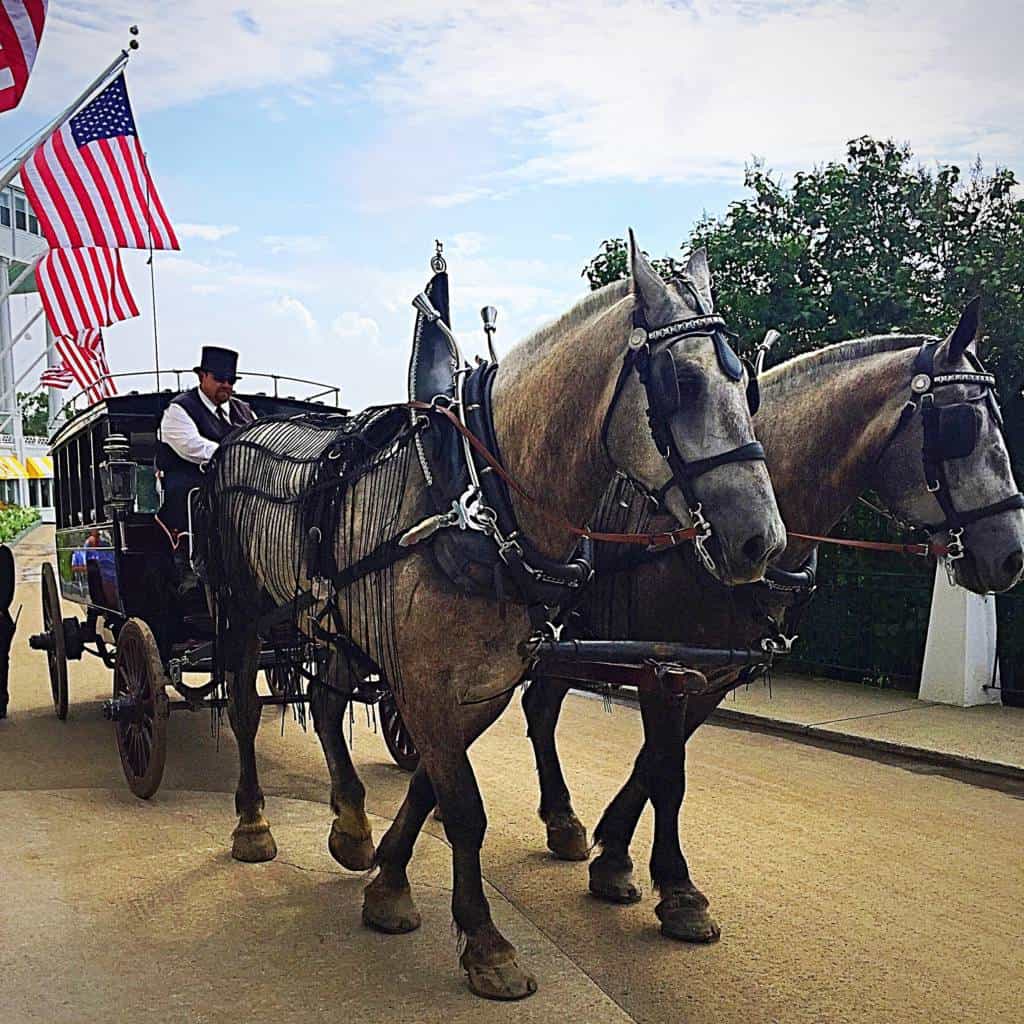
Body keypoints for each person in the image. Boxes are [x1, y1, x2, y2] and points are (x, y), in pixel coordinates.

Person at [155, 346, 255, 581]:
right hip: (193, 482)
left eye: (231, 380)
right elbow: (193, 447)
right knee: (192, 492)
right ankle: (192, 560)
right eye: (220, 379)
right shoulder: (179, 409)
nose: (227, 385)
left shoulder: (246, 411)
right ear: (202, 377)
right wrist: (239, 453)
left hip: (238, 481)